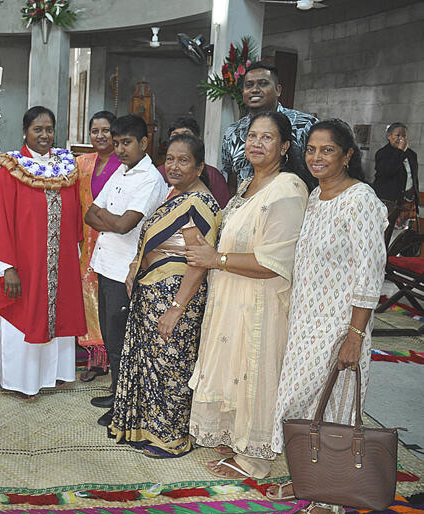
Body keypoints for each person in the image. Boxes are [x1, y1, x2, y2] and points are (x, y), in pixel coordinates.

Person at [266, 120, 387, 506]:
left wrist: (355, 335)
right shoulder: (316, 198)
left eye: (328, 150)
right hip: (305, 324)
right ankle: (306, 480)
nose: (316, 157)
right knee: (298, 408)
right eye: (312, 150)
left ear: (348, 155)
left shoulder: (361, 200)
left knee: (333, 408)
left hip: (340, 326)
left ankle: (330, 493)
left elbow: (370, 272)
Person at [186, 111, 309, 479]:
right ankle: (236, 437)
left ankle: (255, 456)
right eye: (252, 136)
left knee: (254, 369)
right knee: (231, 366)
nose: (255, 144)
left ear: (285, 146)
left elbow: (275, 260)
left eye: (266, 138)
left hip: (261, 299)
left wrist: (215, 259)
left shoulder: (287, 188)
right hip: (232, 292)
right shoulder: (245, 185)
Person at [109, 134, 221, 458]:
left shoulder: (201, 203)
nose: (173, 166)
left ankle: (172, 438)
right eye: (170, 158)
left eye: (183, 160)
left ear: (200, 166)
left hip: (175, 298)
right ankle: (148, 429)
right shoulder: (176, 195)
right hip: (151, 293)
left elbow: (199, 264)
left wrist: (175, 308)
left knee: (171, 368)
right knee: (151, 367)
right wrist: (134, 266)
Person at [0, 106, 86, 399]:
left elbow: (76, 214)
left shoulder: (66, 167)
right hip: (25, 264)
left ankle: (54, 375)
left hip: (61, 261)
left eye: (49, 129)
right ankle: (22, 381)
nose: (44, 135)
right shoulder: (11, 169)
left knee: (60, 313)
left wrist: (75, 253)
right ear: (25, 132)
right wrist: (7, 268)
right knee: (25, 316)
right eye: (37, 130)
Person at [84, 114, 168, 426]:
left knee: (120, 339)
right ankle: (116, 390)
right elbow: (89, 215)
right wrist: (110, 218)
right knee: (110, 335)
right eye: (116, 143)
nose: (119, 149)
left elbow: (124, 225)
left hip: (126, 270)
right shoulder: (120, 170)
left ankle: (123, 403)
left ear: (144, 143)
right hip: (106, 264)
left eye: (126, 142)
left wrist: (107, 217)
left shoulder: (149, 179)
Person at [221, 61, 317, 192]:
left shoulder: (306, 125)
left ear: (278, 90)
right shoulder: (233, 132)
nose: (255, 90)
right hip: (247, 207)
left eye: (263, 84)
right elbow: (231, 180)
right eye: (249, 85)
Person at [76, 110, 120, 383]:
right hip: (84, 240)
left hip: (114, 240)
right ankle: (95, 358)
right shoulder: (81, 163)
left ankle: (113, 357)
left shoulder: (124, 165)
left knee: (110, 299)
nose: (100, 136)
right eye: (95, 131)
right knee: (88, 296)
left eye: (106, 130)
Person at [158, 117, 231, 208]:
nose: (174, 167)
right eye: (175, 137)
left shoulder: (212, 176)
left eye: (183, 160)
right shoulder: (160, 173)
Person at [372, 122, 419, 248]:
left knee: (403, 235)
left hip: (408, 199)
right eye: (397, 135)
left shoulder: (411, 154)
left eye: (403, 136)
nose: (401, 139)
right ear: (389, 136)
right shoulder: (382, 153)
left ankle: (394, 259)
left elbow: (414, 178)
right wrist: (399, 152)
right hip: (389, 200)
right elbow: (387, 171)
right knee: (384, 234)